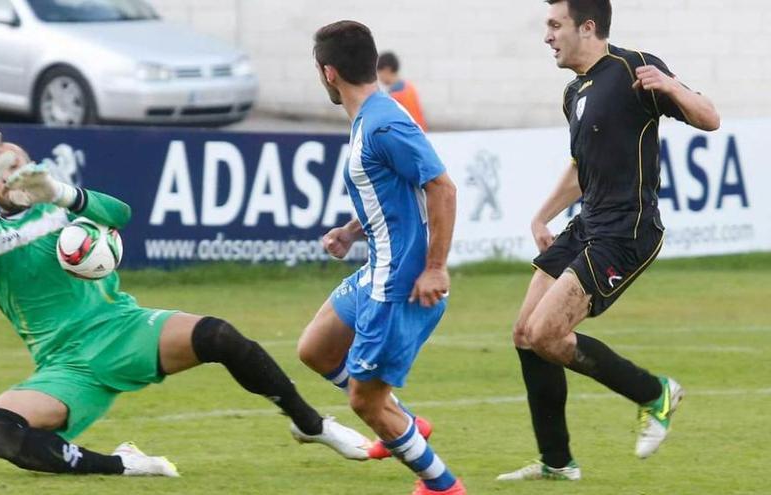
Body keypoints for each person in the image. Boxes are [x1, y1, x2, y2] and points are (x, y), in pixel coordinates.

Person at [0, 126, 371, 477]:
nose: (12, 174)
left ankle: (311, 424)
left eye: (18, 163)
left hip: (123, 328)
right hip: (65, 366)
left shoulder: (60, 210)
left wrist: (60, 191)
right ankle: (123, 464)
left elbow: (121, 215)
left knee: (218, 335)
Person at [497, 0, 720, 481]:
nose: (547, 36)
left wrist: (673, 87)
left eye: (555, 25)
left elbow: (710, 119)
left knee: (546, 334)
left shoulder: (634, 67)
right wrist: (542, 215)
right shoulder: (573, 91)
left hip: (626, 230)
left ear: (588, 27)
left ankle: (654, 393)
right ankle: (557, 462)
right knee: (524, 334)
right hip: (587, 224)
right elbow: (582, 166)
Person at [298, 21, 464, 495]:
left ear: (328, 72)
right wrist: (352, 232)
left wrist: (434, 267)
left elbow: (442, 188)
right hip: (376, 269)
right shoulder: (371, 116)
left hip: (398, 284)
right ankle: (406, 424)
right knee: (316, 348)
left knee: (364, 402)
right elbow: (395, 191)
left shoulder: (384, 122)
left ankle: (440, 486)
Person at [377, 51, 429, 131]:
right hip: (419, 133)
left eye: (379, 72)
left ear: (387, 70)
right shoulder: (409, 87)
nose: (378, 77)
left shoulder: (395, 95)